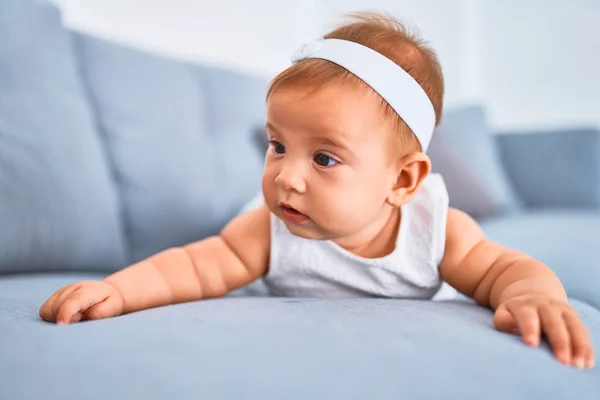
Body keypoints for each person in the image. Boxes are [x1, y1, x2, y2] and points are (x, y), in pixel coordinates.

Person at [39, 12, 594, 369]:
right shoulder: (271, 222)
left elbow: (509, 270)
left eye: (324, 157)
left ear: (402, 182)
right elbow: (191, 266)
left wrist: (536, 298)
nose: (287, 176)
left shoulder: (435, 231)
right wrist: (118, 291)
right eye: (278, 146)